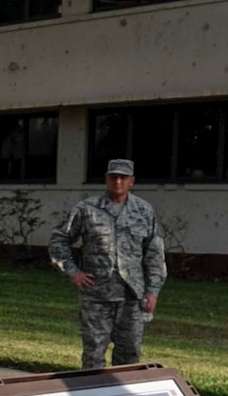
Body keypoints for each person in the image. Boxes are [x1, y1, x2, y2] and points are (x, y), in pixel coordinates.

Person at [49, 159, 166, 370]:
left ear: (132, 181)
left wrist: (153, 290)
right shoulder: (86, 209)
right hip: (97, 295)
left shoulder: (144, 211)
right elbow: (59, 240)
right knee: (94, 354)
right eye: (113, 177)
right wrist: (73, 272)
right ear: (106, 179)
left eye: (123, 178)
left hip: (132, 297)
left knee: (129, 356)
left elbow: (154, 253)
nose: (118, 182)